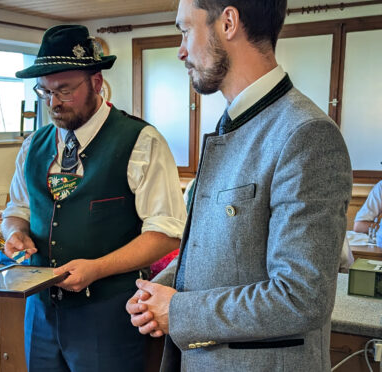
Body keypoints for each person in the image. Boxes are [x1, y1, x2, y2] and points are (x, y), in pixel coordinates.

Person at [125, 1, 352, 371]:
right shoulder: (230, 123)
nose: (181, 50)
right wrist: (158, 290)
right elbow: (221, 253)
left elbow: (301, 297)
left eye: (185, 30)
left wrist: (177, 310)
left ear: (228, 22)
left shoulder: (306, 134)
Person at [2, 25, 187, 372]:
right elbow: (17, 209)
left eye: (65, 91)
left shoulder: (140, 141)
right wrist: (15, 232)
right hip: (40, 312)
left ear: (96, 83)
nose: (54, 102)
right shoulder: (34, 146)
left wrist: (97, 268)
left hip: (108, 315)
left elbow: (166, 233)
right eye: (45, 92)